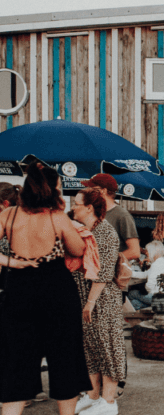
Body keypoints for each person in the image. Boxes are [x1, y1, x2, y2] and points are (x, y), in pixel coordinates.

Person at [0, 161, 91, 415]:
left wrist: (11, 261)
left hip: (19, 289)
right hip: (57, 290)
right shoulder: (57, 217)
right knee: (65, 358)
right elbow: (77, 249)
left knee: (17, 360)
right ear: (51, 189)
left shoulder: (9, 215)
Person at [70, 187, 126, 415]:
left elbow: (103, 273)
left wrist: (90, 302)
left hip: (102, 299)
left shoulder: (105, 233)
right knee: (91, 347)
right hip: (86, 296)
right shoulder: (84, 230)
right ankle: (93, 395)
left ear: (89, 207)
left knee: (108, 346)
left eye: (76, 203)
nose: (72, 207)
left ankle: (109, 401)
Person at [82, 174, 140, 263]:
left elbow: (134, 251)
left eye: (92, 190)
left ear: (103, 191)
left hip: (110, 274)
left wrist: (104, 261)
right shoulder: (93, 213)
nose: (88, 193)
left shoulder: (122, 215)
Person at [128, 240, 164, 310]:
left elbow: (149, 286)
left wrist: (144, 288)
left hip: (158, 297)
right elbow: (145, 274)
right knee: (134, 303)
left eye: (147, 251)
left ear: (152, 252)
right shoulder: (162, 262)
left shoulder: (156, 264)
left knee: (132, 293)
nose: (146, 253)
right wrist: (130, 273)